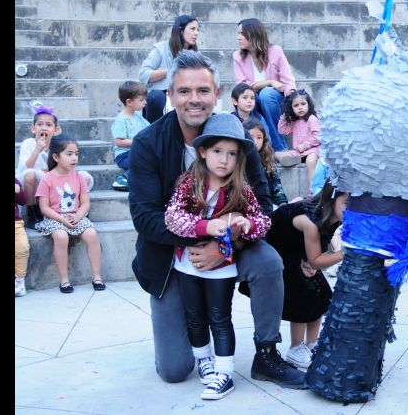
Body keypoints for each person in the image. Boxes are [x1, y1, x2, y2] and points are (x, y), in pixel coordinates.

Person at [128, 50, 306, 388]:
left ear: (217, 94)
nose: (194, 99)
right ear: (170, 95)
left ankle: (267, 354)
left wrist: (226, 246)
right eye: (184, 91)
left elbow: (263, 204)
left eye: (203, 90)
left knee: (269, 262)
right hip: (172, 254)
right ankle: (190, 329)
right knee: (175, 370)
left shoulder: (236, 138)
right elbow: (145, 217)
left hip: (232, 241)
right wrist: (205, 237)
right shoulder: (148, 143)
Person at [164, 113, 272, 400]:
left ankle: (225, 372)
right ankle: (204, 359)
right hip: (188, 262)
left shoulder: (241, 188)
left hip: (222, 264)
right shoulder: (189, 182)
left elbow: (263, 220)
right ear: (203, 151)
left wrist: (248, 226)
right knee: (194, 316)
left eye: (232, 153)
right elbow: (172, 217)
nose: (224, 160)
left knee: (220, 317)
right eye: (217, 151)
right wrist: (205, 226)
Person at [266, 181, 347, 369]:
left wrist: (308, 258)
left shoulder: (332, 215)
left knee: (320, 292)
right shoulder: (310, 221)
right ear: (331, 199)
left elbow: (319, 246)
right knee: (301, 294)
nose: (352, 209)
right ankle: (296, 347)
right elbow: (316, 260)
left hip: (295, 246)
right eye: (347, 203)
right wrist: (343, 253)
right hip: (275, 248)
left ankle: (311, 343)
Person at [34, 134, 105, 293]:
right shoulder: (47, 179)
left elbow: (85, 203)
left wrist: (78, 216)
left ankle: (97, 276)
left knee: (92, 234)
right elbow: (44, 208)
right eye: (69, 154)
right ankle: (64, 280)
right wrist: (61, 219)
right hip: (55, 218)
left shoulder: (79, 177)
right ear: (56, 157)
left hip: (76, 216)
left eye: (76, 154)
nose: (74, 158)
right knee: (61, 236)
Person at [17, 102, 94, 228]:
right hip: (32, 183)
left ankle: (77, 210)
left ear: (56, 130)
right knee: (30, 174)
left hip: (53, 179)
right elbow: (25, 168)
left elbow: (66, 166)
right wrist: (37, 150)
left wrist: (50, 169)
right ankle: (33, 213)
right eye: (40, 124)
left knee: (85, 177)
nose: (44, 128)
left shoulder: (57, 144)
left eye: (48, 125)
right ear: (33, 128)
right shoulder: (28, 143)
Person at [233, 17, 297, 153]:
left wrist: (292, 99)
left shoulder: (275, 51)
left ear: (253, 34)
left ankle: (280, 148)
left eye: (242, 34)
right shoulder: (237, 56)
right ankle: (251, 148)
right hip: (254, 99)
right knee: (249, 98)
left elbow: (287, 80)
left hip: (276, 100)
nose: (238, 37)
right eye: (238, 33)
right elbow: (241, 86)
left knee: (266, 94)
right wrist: (269, 82)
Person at [138, 14, 199, 122]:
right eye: (192, 29)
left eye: (198, 30)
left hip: (184, 94)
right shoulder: (161, 48)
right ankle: (155, 132)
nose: (196, 33)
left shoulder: (196, 56)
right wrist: (172, 70)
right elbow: (143, 75)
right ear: (181, 31)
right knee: (156, 96)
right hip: (161, 97)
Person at [274, 90, 321, 189]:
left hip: (312, 150)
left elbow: (318, 137)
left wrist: (305, 146)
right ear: (291, 108)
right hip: (298, 152)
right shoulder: (295, 122)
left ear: (309, 105)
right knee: (276, 154)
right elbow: (282, 130)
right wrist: (285, 115)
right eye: (296, 105)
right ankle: (290, 160)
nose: (300, 107)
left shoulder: (311, 119)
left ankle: (311, 187)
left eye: (303, 104)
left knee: (311, 161)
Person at [110, 81, 150, 192]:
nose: (145, 102)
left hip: (136, 152)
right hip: (123, 156)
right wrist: (138, 142)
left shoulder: (139, 117)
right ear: (129, 102)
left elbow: (150, 129)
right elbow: (118, 142)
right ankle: (124, 179)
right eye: (141, 100)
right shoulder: (121, 120)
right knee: (143, 160)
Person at [243, 117, 288, 208]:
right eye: (251, 137)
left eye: (259, 138)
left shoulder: (267, 158)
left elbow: (276, 184)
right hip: (245, 205)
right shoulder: (239, 159)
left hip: (267, 204)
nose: (255, 141)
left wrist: (282, 203)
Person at [15, 177, 30, 297]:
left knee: (22, 247)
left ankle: (19, 281)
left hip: (16, 223)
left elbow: (23, 201)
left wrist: (19, 191)